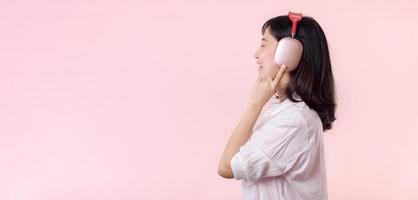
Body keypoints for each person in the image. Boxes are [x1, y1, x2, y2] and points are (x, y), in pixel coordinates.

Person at [217, 14, 337, 200]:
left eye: (264, 44)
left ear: (289, 53)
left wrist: (254, 104)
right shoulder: (287, 113)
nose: (256, 54)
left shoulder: (292, 122)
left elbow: (226, 167)